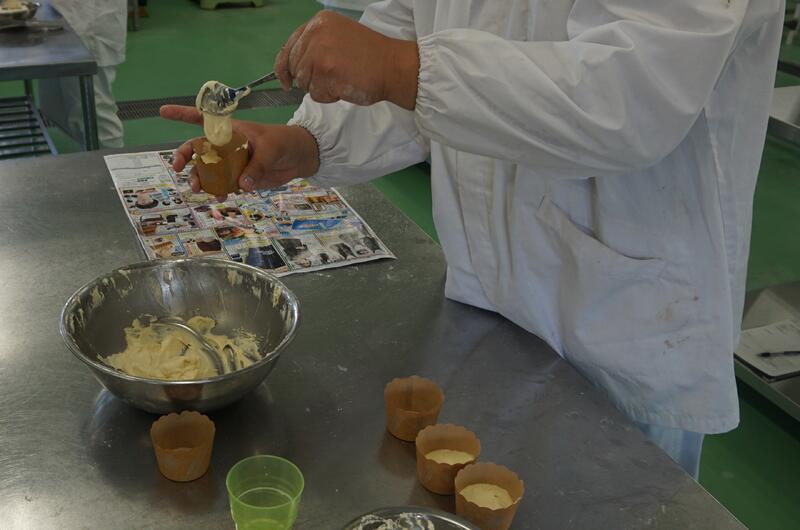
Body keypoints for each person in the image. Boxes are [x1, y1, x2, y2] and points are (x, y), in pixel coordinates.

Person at [162, 1, 785, 478]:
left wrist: (399, 67)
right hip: (489, 301)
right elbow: (405, 46)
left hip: (621, 317)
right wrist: (309, 143)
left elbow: (633, 91)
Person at [39, 0, 127, 148]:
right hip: (61, 17)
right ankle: (93, 151)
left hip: (88, 21)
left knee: (95, 117)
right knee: (54, 107)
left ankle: (110, 157)